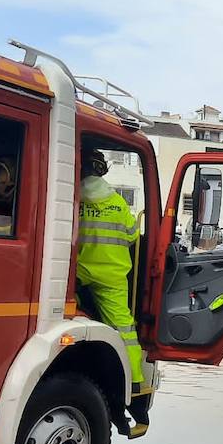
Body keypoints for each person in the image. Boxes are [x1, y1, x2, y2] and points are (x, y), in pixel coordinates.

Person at [76, 147, 144, 393]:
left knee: (65, 312)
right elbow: (132, 235)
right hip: (113, 275)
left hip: (79, 271)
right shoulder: (117, 201)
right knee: (124, 327)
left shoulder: (73, 197)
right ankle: (134, 381)